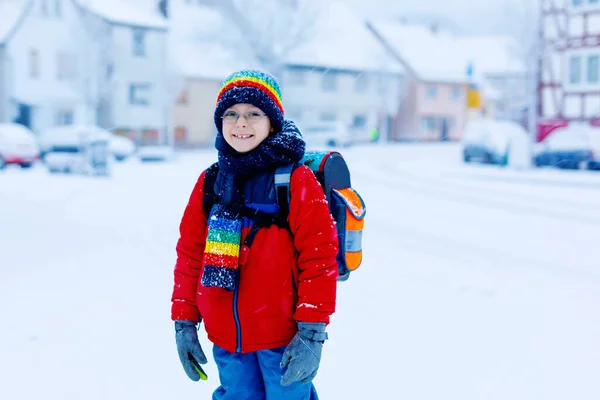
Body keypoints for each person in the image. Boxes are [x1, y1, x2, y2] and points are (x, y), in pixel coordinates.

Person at [170, 69, 339, 400]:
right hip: (226, 339)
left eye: (253, 114)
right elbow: (191, 255)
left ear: (272, 122)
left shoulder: (296, 181)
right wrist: (183, 322)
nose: (240, 123)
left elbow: (320, 259)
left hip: (284, 339)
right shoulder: (211, 182)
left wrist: (312, 332)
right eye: (230, 114)